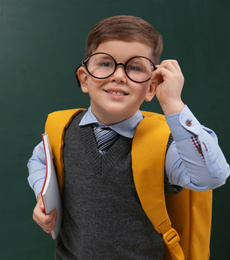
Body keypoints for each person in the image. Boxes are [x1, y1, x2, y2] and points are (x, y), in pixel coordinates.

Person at [27, 15, 229, 259]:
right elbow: (39, 161)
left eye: (135, 67)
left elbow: (212, 176)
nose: (119, 76)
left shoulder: (163, 146)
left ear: (151, 87)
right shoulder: (62, 129)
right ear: (84, 78)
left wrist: (173, 103)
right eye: (105, 63)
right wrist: (44, 197)